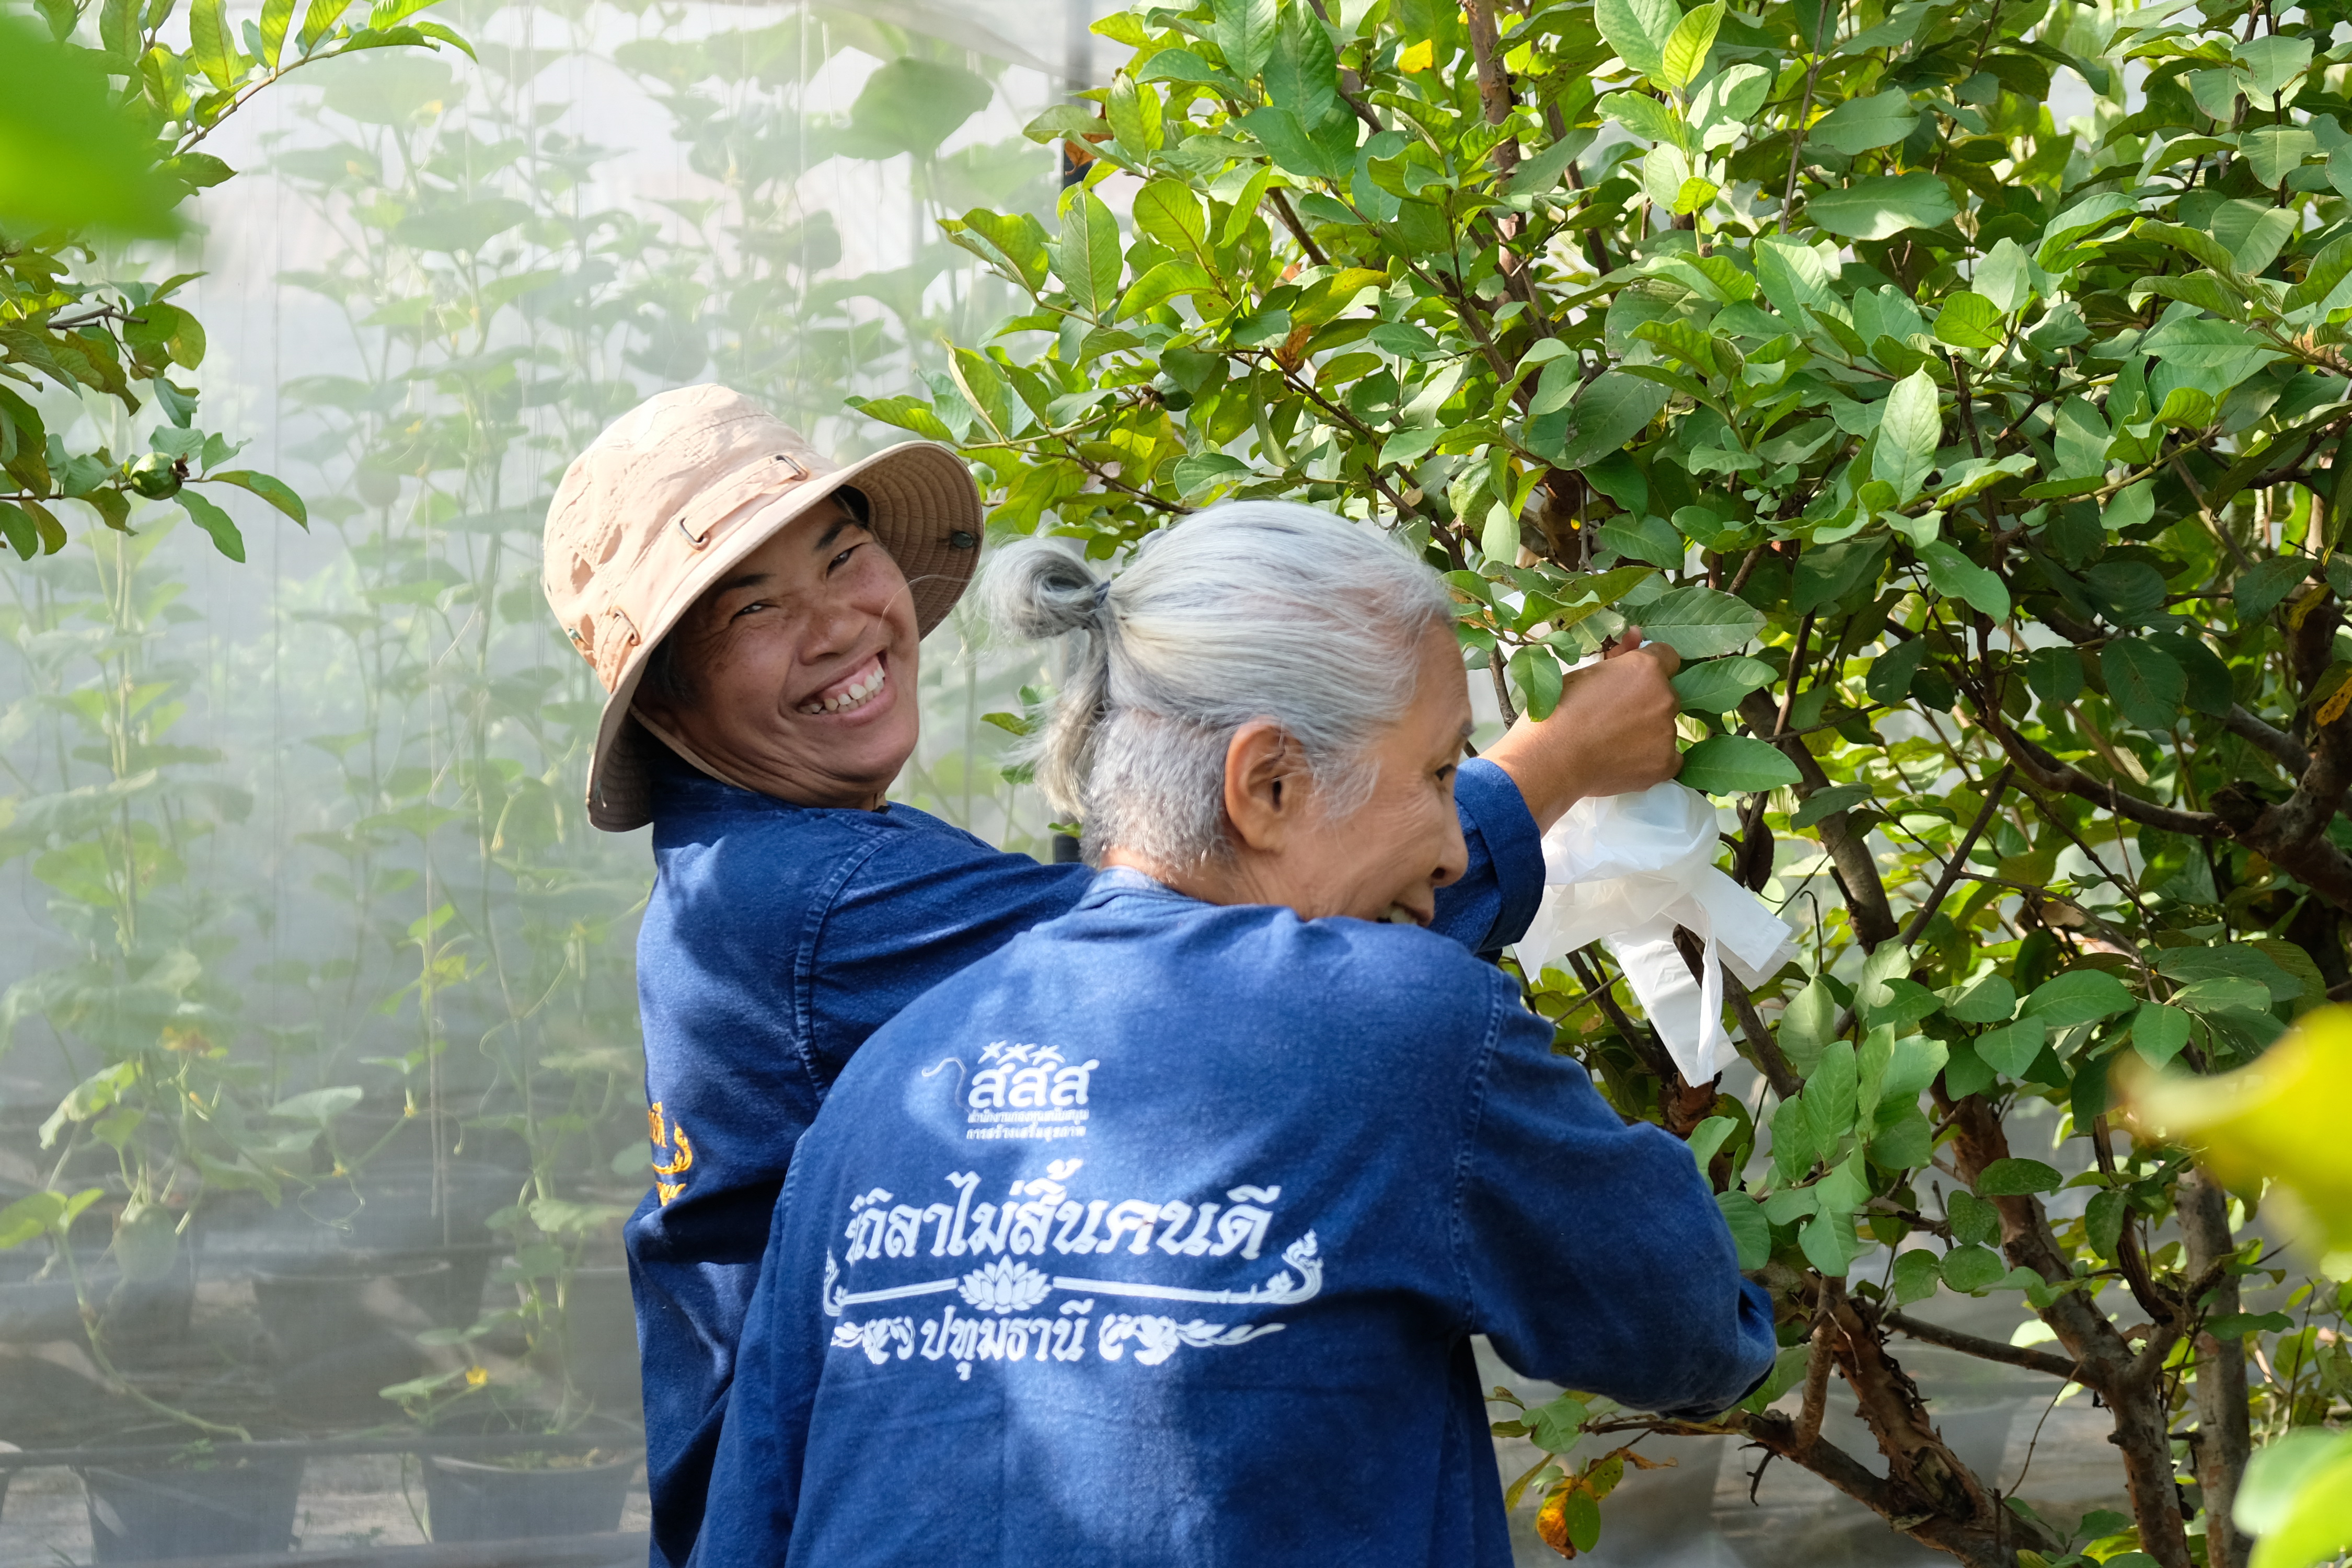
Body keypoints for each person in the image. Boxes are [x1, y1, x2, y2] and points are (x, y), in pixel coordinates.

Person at [540, 387, 1690, 1567]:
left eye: (843, 558)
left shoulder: (782, 868)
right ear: (669, 698)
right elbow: (1210, 961)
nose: (839, 624)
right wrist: (1560, 757)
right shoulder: (794, 900)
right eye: (756, 610)